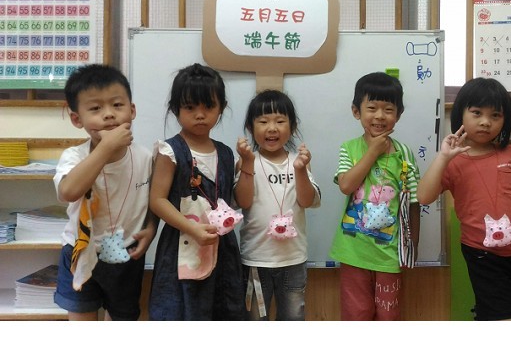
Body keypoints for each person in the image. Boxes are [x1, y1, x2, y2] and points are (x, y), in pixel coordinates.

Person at [417, 77, 511, 321]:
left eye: (495, 115)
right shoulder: (452, 161)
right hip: (483, 256)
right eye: (477, 113)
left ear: (505, 120)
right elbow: (424, 197)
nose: (485, 122)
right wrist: (442, 157)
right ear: (461, 114)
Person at [53, 63, 156, 321]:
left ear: (132, 110)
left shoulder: (146, 157)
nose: (109, 114)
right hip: (80, 251)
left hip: (127, 253)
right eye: (96, 109)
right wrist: (105, 148)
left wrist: (152, 228)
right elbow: (69, 191)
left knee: (122, 318)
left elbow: (155, 200)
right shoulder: (74, 156)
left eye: (117, 105)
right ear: (77, 119)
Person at [147, 63, 244, 320]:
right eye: (190, 107)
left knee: (222, 312)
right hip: (182, 246)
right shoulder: (170, 151)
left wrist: (248, 166)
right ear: (175, 109)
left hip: (222, 249)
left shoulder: (226, 153)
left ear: (221, 108)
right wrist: (192, 228)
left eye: (208, 107)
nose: (200, 115)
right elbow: (157, 200)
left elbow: (234, 201)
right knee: (181, 311)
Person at [328, 72, 420, 321]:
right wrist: (373, 152)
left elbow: (413, 202)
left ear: (398, 114)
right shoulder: (349, 148)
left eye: (388, 109)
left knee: (388, 316)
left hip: (390, 253)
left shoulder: (404, 153)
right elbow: (346, 185)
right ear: (356, 111)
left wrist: (412, 247)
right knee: (357, 314)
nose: (379, 116)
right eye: (372, 108)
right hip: (353, 251)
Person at [234, 89, 321, 321]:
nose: (272, 128)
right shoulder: (246, 161)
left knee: (292, 319)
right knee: (254, 320)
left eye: (280, 121)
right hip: (255, 259)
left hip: (294, 260)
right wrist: (247, 163)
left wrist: (300, 170)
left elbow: (307, 201)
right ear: (251, 127)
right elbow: (242, 201)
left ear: (292, 127)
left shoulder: (299, 162)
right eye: (263, 121)